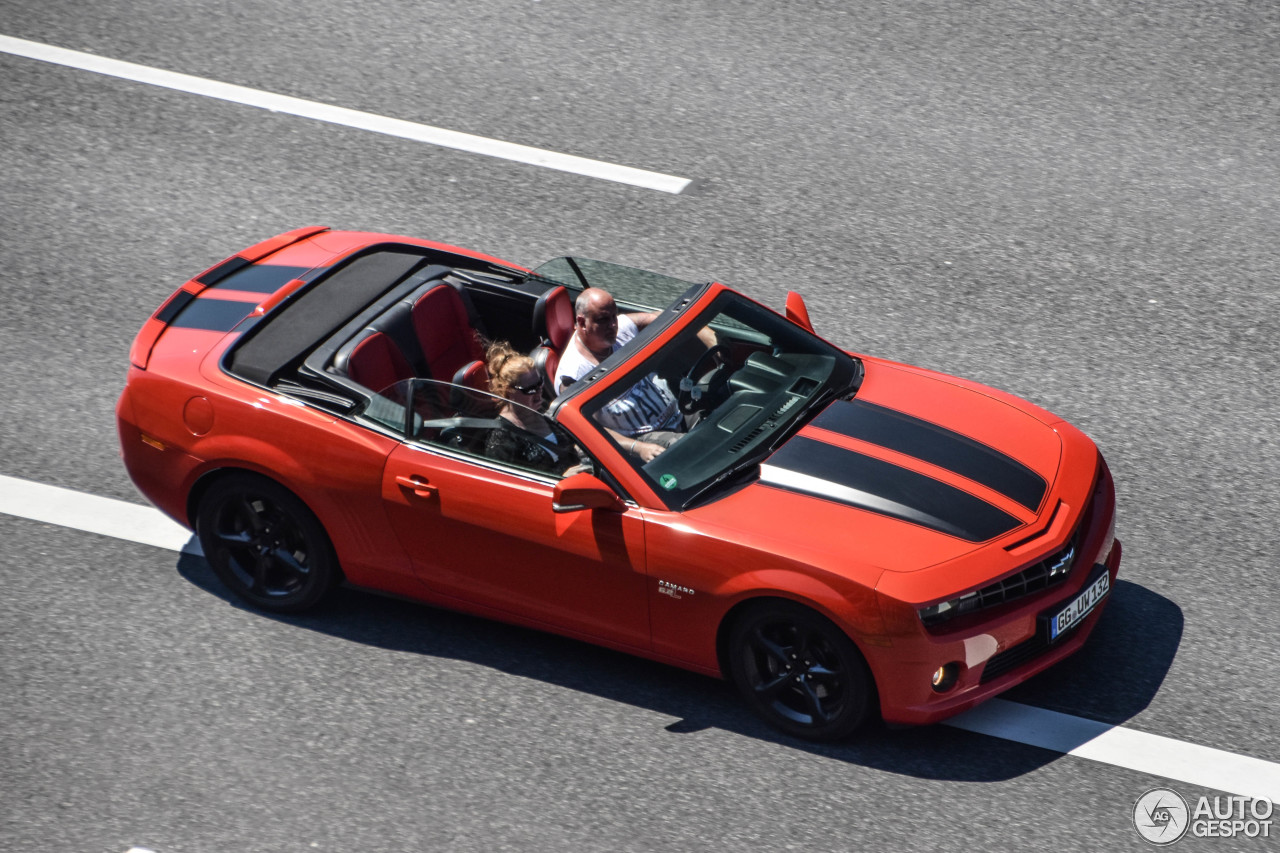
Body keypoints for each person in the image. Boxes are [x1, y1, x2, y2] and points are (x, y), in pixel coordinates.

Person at [555, 288, 687, 463]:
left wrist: (708, 337)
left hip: (676, 411)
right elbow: (588, 428)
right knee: (691, 447)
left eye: (614, 316)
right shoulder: (572, 374)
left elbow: (667, 317)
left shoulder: (622, 328)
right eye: (603, 320)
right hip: (644, 438)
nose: (613, 325)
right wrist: (637, 447)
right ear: (582, 322)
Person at [484, 342, 579, 476]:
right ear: (508, 391)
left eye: (539, 383)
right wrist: (560, 478)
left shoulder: (544, 408)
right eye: (530, 389)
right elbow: (510, 488)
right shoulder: (502, 439)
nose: (538, 392)